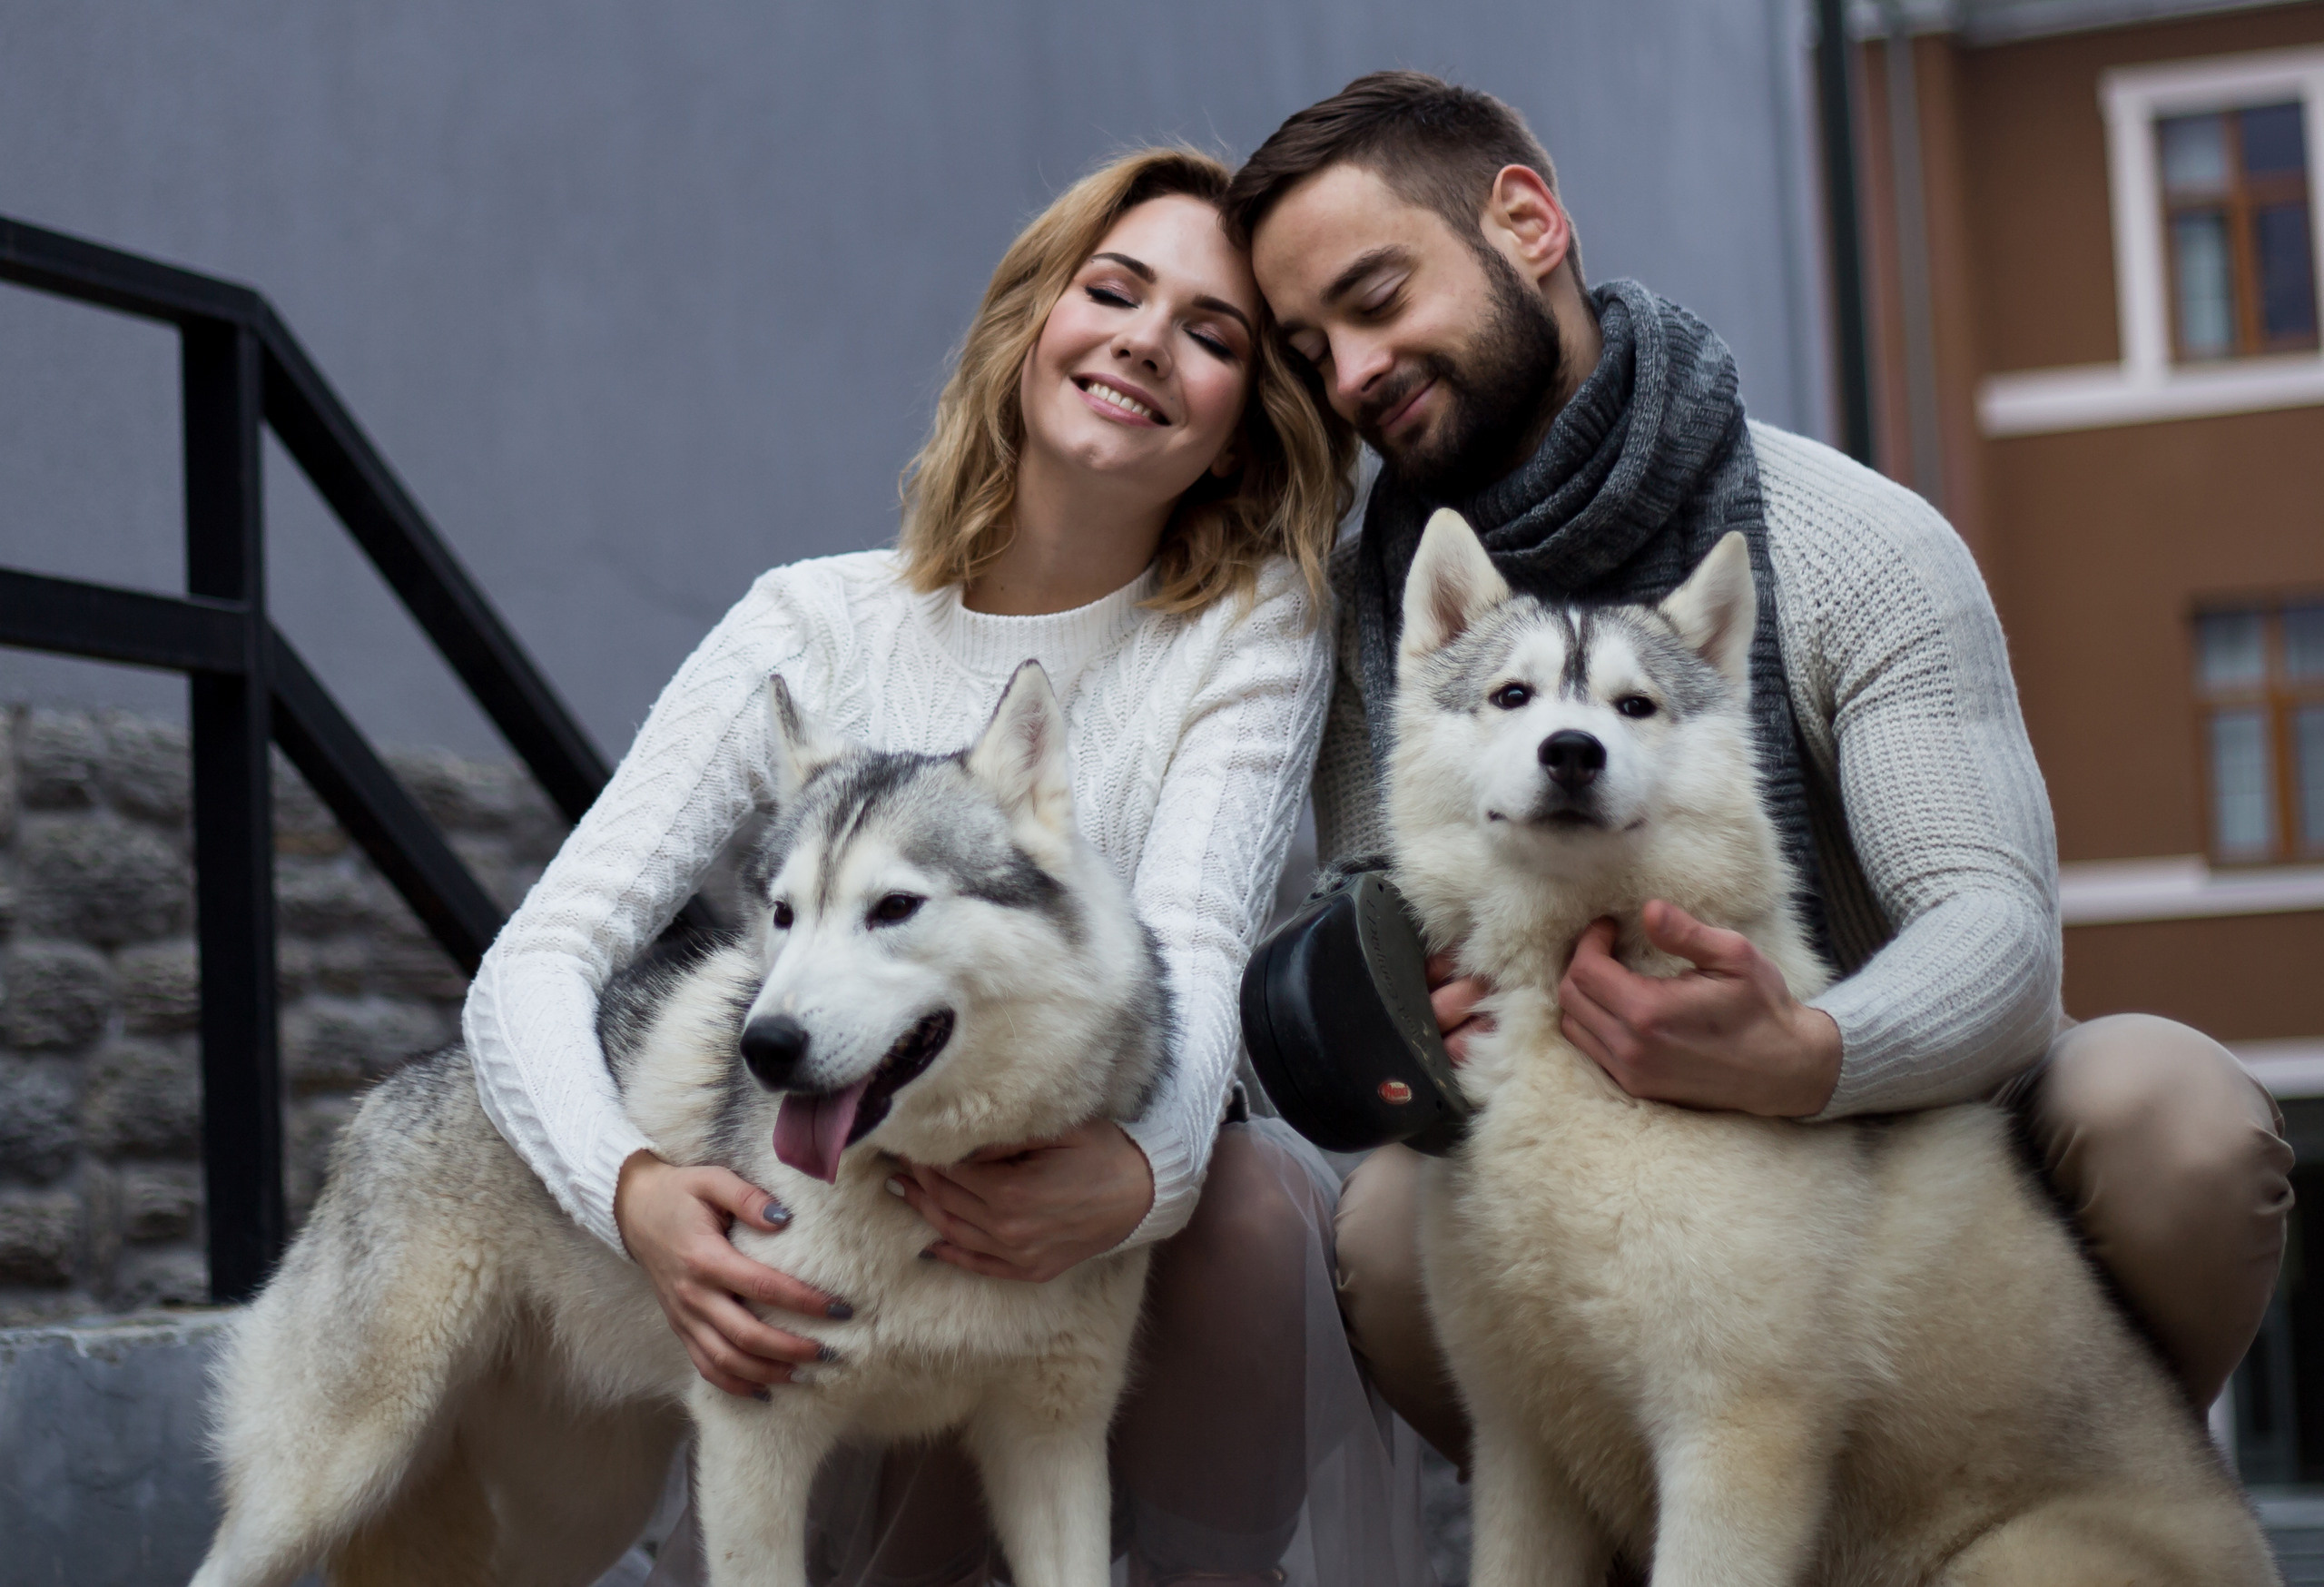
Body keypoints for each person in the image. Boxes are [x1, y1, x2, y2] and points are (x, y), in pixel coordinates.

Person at [1220, 71, 2294, 1475]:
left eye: (1375, 298)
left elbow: (1997, 931)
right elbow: (1386, 919)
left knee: (2169, 1110)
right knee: (1386, 1238)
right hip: (1588, 1180)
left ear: (1529, 222)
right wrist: (1399, 1002)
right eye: (1309, 351)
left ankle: (2091, 1512)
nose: (1352, 374)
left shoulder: (1854, 544)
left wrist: (1807, 1057)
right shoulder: (1394, 620)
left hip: (1915, 1163)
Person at [461, 148, 1433, 1586]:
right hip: (843, 1226)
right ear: (1034, 323)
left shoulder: (1246, 631)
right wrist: (636, 1195)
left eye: (1212, 334)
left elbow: (1192, 940)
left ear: (1239, 431)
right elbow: (540, 960)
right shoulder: (810, 624)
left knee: (1243, 1209)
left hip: (1096, 1234)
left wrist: (1138, 1172)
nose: (1147, 341)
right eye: (1113, 290)